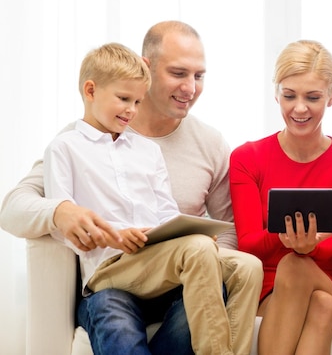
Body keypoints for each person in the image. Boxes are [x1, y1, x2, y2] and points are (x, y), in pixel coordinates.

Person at [0, 21, 263, 355]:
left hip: (176, 272)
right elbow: (14, 207)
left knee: (244, 266)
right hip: (115, 273)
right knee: (185, 258)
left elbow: (212, 227)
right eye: (179, 73)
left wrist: (198, 241)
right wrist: (61, 212)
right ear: (147, 67)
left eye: (199, 76)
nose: (190, 88)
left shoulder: (200, 145)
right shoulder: (70, 143)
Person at [43, 42, 236, 355]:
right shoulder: (65, 147)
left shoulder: (147, 151)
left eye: (137, 101)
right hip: (109, 274)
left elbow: (166, 213)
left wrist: (186, 234)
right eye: (123, 99)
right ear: (90, 91)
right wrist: (115, 235)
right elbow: (62, 225)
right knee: (111, 310)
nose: (132, 109)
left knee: (214, 284)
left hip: (159, 273)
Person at [229, 39, 332, 355]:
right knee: (318, 301)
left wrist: (303, 245)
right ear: (276, 93)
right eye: (289, 95)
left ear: (331, 96)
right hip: (268, 287)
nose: (300, 108)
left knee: (298, 265)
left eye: (313, 97)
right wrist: (288, 240)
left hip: (325, 278)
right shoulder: (247, 158)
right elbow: (248, 244)